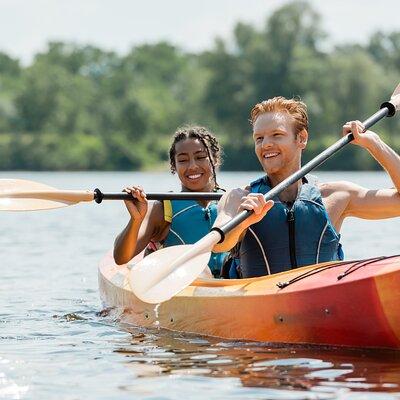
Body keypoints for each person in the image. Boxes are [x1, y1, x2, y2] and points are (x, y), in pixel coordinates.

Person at [213, 96, 400, 278]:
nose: (266, 144)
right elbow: (218, 243)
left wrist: (375, 144)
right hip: (261, 305)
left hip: (323, 306)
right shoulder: (238, 198)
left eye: (277, 135)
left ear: (301, 138)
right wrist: (242, 223)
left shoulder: (336, 196)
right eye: (259, 138)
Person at [114, 125, 227, 277]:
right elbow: (121, 258)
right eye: (183, 160)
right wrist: (136, 219)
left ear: (215, 160)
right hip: (178, 285)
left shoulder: (230, 202)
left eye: (200, 157)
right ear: (174, 166)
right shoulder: (162, 209)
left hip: (225, 284)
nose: (192, 166)